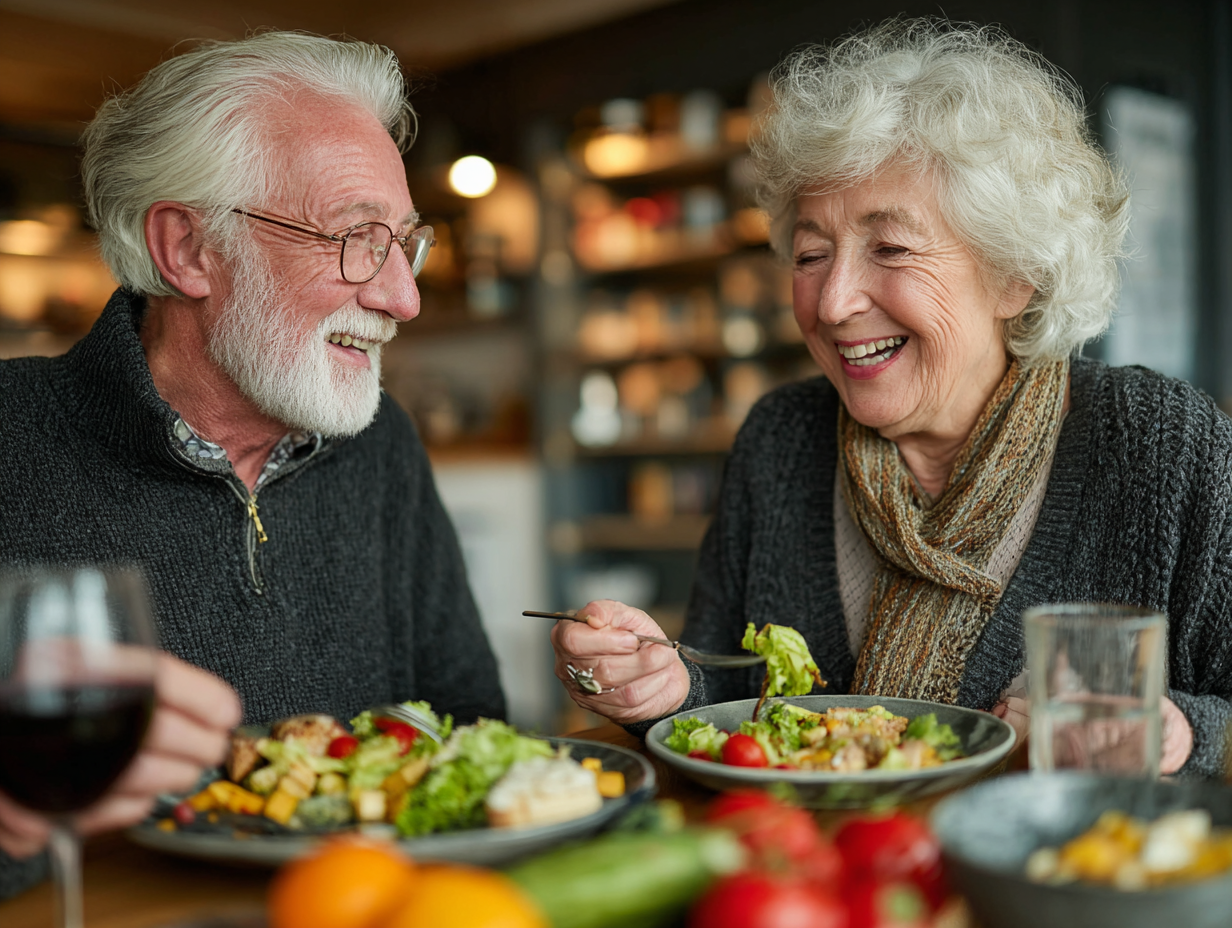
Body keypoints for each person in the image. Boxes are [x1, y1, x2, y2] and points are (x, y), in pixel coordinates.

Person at [551, 18, 1232, 779]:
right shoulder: (781, 441)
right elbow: (724, 705)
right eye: (811, 254)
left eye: (891, 248)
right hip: (814, 887)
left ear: (1016, 274)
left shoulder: (1163, 447)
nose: (835, 301)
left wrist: (1174, 732)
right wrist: (661, 689)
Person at [0, 32, 504, 897]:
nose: (402, 297)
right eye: (355, 238)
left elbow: (476, 736)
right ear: (188, 249)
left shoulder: (381, 446)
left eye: (405, 244)